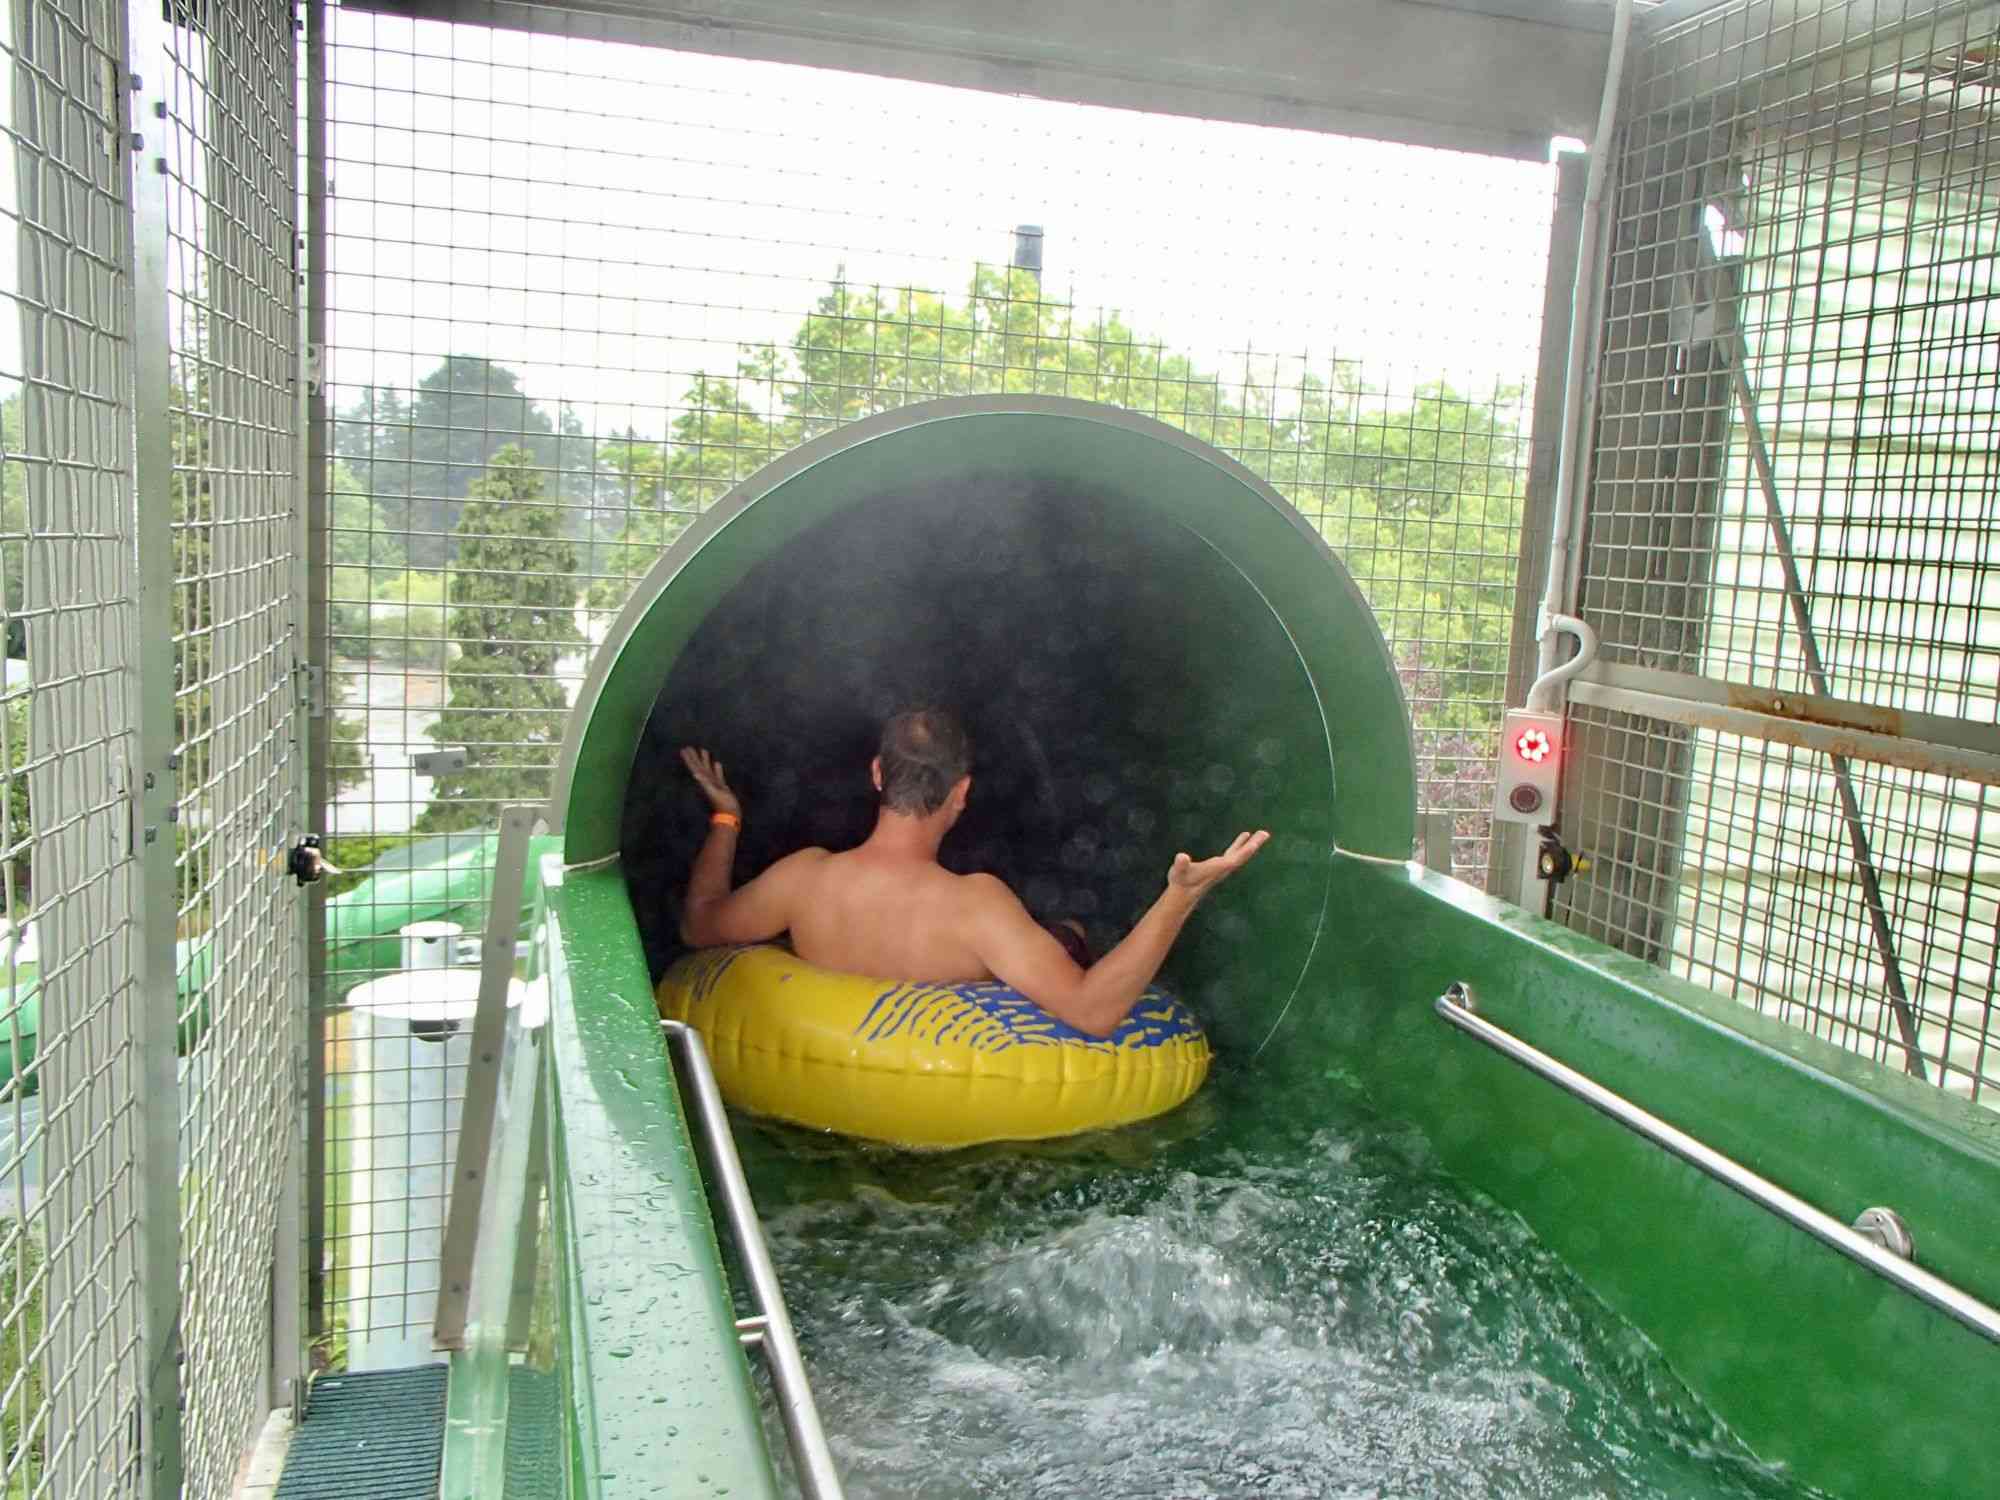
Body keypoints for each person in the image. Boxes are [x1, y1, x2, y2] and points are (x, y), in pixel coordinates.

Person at [677, 708, 1269, 1037]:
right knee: (1070, 935)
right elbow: (1094, 1012)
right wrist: (1179, 898)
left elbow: (698, 926)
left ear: (878, 773)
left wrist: (727, 818)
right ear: (962, 792)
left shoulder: (803, 879)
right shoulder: (974, 907)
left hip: (824, 1100)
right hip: (954, 1120)